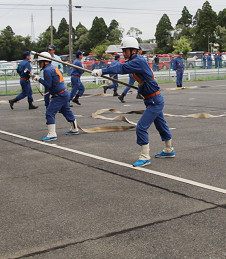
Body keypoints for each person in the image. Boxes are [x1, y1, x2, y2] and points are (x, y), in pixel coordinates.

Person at [92, 37, 174, 167]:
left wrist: (102, 71)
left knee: (141, 127)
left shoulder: (139, 61)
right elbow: (120, 67)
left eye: (125, 51)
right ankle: (169, 149)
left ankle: (145, 157)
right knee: (161, 125)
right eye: (123, 51)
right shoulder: (136, 60)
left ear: (133, 51)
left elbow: (121, 68)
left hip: (154, 100)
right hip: (151, 99)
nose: (123, 53)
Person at [32, 52, 78, 141]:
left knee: (50, 113)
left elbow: (48, 85)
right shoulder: (53, 68)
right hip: (64, 93)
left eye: (40, 62)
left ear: (45, 62)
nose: (39, 64)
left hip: (59, 95)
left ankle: (52, 134)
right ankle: (74, 128)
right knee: (66, 111)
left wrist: (39, 79)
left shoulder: (47, 70)